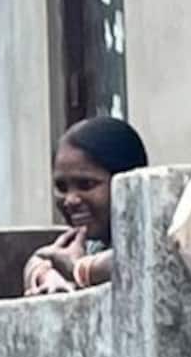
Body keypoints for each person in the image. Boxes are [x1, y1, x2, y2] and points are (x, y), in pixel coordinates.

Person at [25, 116, 150, 295]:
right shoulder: (92, 245)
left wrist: (78, 270)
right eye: (61, 187)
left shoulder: (154, 240)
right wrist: (46, 276)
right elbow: (38, 259)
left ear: (127, 183)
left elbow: (129, 263)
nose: (70, 200)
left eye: (86, 185)